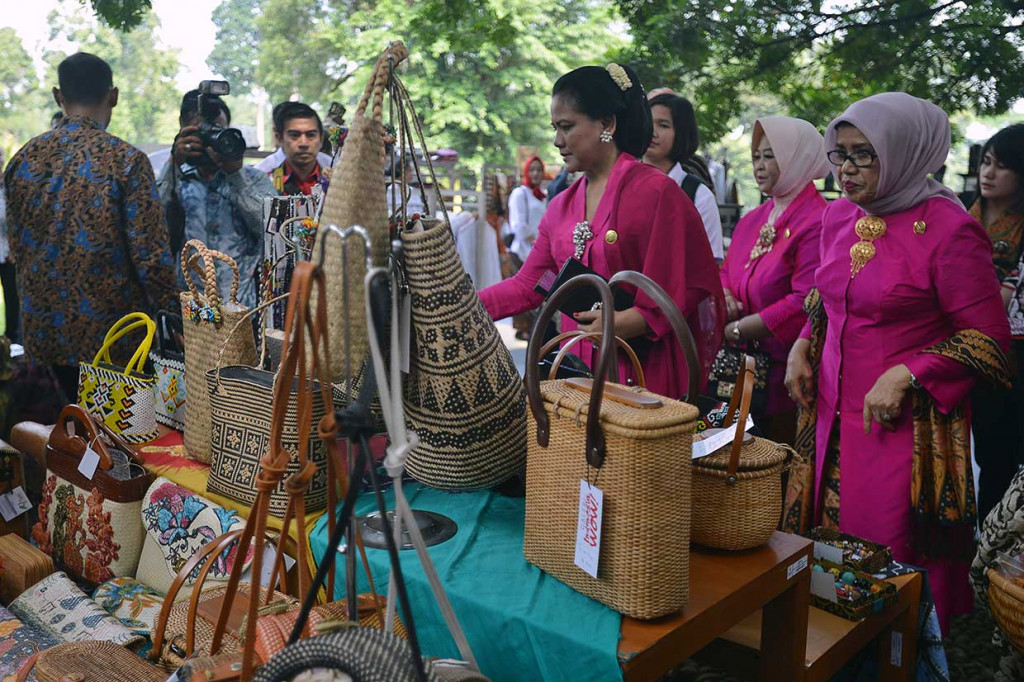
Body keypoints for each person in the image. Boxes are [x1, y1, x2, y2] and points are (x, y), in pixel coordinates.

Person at [784, 92, 1010, 633]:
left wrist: (908, 373)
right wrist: (801, 345)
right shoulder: (840, 216)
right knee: (827, 538)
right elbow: (827, 297)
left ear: (905, 151)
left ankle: (900, 653)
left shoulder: (949, 230)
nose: (847, 169)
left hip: (903, 426)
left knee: (890, 552)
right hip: (832, 412)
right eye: (839, 154)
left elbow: (989, 339)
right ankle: (832, 647)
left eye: (865, 153)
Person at [479, 64, 725, 398]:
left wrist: (631, 319)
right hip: (575, 370)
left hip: (640, 372)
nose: (557, 140)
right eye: (555, 127)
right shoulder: (561, 206)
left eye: (567, 126)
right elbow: (529, 285)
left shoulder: (656, 193)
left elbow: (690, 283)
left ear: (607, 124)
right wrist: (464, 308)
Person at [3, 53, 177, 400]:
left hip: (44, 337)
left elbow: (18, 249)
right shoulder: (127, 160)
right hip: (114, 343)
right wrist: (176, 317)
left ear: (58, 95)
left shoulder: (22, 160)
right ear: (113, 96)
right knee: (114, 445)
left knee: (58, 440)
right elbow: (151, 258)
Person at [718, 116, 829, 443]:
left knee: (775, 461)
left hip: (786, 370)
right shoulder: (754, 218)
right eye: (756, 156)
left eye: (771, 156)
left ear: (797, 159)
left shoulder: (818, 220)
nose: (760, 165)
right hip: (741, 363)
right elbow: (726, 270)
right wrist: (724, 295)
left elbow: (805, 299)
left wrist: (738, 328)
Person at [157, 89, 276, 308]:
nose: (210, 140)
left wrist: (235, 175)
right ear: (183, 133)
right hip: (191, 311)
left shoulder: (254, 179)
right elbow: (151, 227)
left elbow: (271, 231)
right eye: (201, 134)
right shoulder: (174, 181)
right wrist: (174, 163)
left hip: (243, 309)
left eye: (218, 131)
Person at [967, 123, 1024, 522]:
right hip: (958, 347)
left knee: (1003, 458)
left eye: (1002, 166)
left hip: (1010, 359)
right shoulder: (959, 212)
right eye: (986, 162)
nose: (989, 173)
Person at [644, 93, 724, 260]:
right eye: (648, 122)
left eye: (663, 125)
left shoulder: (698, 196)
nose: (653, 132)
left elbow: (710, 262)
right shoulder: (620, 182)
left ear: (681, 132)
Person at [255, 101, 333, 196]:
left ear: (321, 139)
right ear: (279, 138)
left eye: (311, 135)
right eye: (294, 135)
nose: (303, 143)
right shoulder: (262, 176)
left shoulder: (336, 171)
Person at [508, 156, 548, 263]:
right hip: (522, 253)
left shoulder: (543, 196)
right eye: (532, 170)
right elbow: (519, 225)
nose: (535, 173)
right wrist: (538, 243)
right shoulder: (520, 193)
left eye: (539, 170)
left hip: (537, 253)